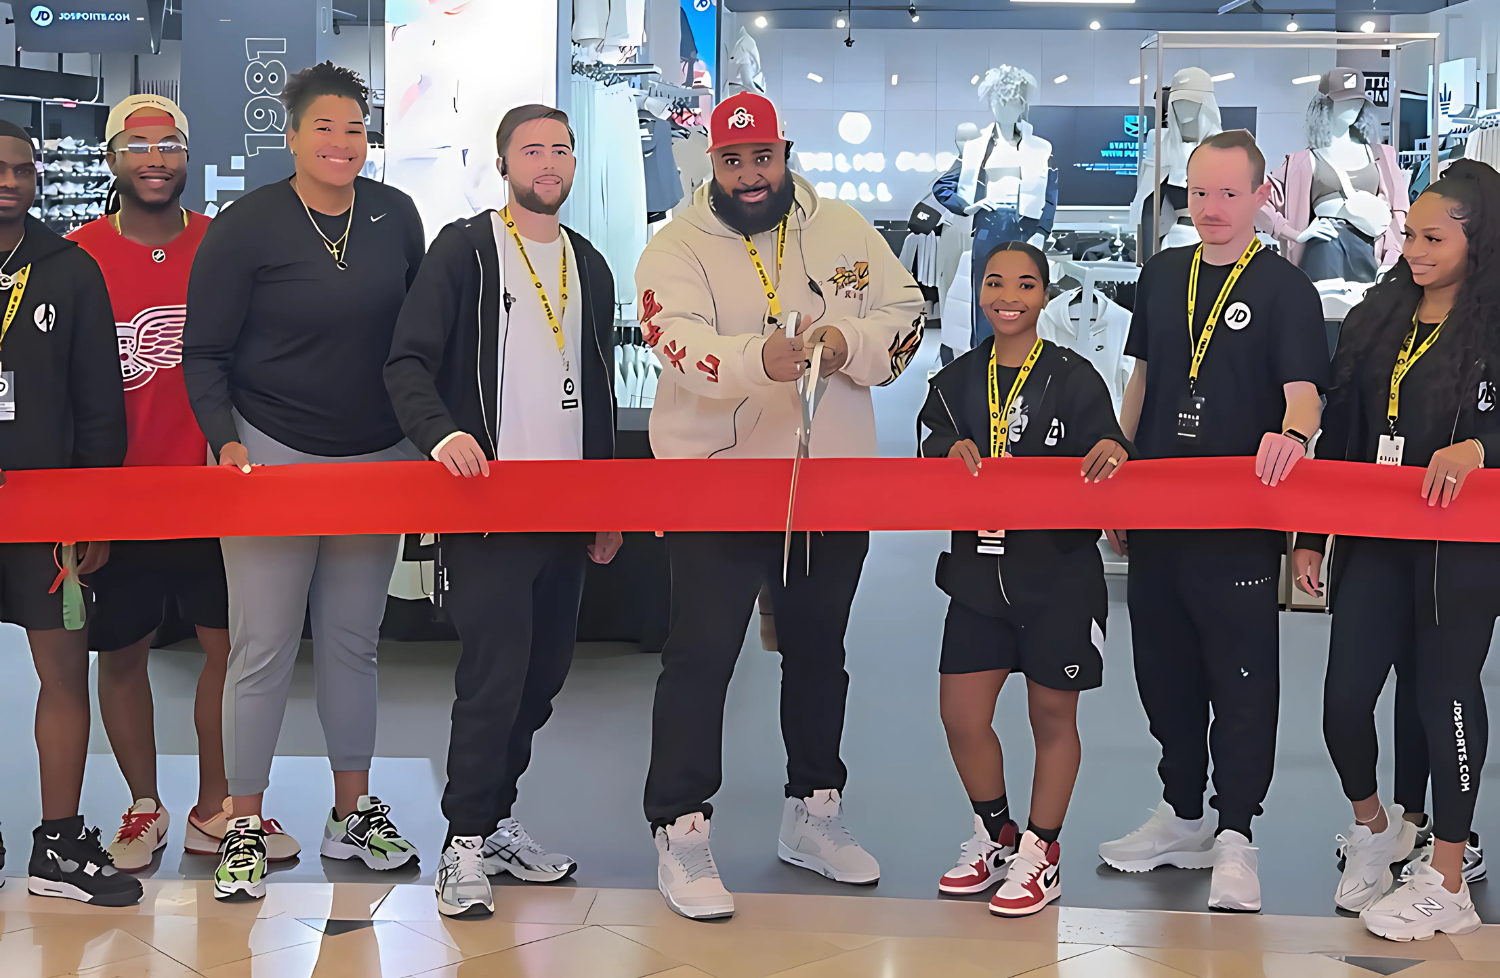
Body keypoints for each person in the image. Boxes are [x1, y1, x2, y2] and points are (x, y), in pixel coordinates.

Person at [635, 91, 925, 921]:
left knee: (819, 651)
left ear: (783, 151)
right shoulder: (678, 243)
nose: (750, 175)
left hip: (827, 477)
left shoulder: (840, 229)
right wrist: (759, 357)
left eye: (762, 157)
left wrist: (846, 343)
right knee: (701, 657)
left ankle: (814, 810)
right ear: (711, 164)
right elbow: (670, 336)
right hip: (716, 481)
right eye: (732, 161)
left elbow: (902, 318)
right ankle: (679, 824)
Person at [183, 62, 425, 901]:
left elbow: (416, 338)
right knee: (263, 649)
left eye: (355, 128)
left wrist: (427, 438)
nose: (341, 142)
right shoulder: (247, 224)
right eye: (324, 127)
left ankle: (350, 811)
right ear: (291, 137)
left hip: (380, 458)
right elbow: (204, 349)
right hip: (270, 454)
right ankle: (242, 820)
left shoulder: (396, 216)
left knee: (355, 643)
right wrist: (224, 442)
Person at [386, 103, 621, 918]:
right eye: (532, 149)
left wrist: (604, 500)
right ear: (504, 162)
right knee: (493, 679)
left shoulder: (588, 263)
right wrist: (440, 430)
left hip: (565, 505)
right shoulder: (465, 250)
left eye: (561, 148)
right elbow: (407, 361)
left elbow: (594, 390)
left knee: (543, 679)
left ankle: (492, 823)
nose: (547, 161)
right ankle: (460, 844)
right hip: (487, 506)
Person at [1098, 130, 1328, 912]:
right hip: (1158, 508)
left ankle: (1236, 834)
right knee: (1163, 672)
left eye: (1231, 193)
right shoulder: (1162, 275)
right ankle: (1184, 815)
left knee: (1240, 676)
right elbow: (1143, 382)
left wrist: (1293, 437)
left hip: (1237, 520)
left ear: (1262, 196)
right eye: (1200, 192)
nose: (1214, 208)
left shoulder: (1286, 290)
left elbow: (1305, 396)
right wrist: (1118, 478)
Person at [69, 94, 297, 874]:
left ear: (187, 155)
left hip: (214, 486)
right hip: (119, 494)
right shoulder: (76, 255)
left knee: (228, 649)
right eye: (138, 146)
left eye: (169, 144)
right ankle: (142, 805)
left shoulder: (221, 244)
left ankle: (218, 807)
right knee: (121, 653)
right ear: (113, 158)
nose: (155, 158)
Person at [1292, 159, 1500, 941]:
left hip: (1459, 550)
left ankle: (1449, 876)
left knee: (1445, 695)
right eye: (1409, 234)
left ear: (1478, 242)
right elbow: (1343, 428)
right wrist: (1312, 534)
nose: (1414, 249)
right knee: (1345, 700)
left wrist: (1479, 447)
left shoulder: (1494, 322)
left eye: (1433, 238)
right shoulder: (1383, 311)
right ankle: (1379, 829)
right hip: (1375, 540)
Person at [919, 242, 1132, 917]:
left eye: (1025, 284)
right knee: (961, 714)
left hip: (1058, 578)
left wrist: (1114, 450)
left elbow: (1112, 449)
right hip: (977, 580)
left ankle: (1042, 851)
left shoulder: (1075, 376)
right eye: (994, 282)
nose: (1008, 295)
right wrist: (942, 454)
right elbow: (926, 455)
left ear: (1045, 296)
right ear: (978, 292)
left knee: (1051, 715)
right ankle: (996, 831)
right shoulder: (953, 381)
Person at [0, 120, 137, 905]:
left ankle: (57, 844)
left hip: (52, 510)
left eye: (23, 170)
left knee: (63, 672)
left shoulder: (69, 269)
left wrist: (96, 509)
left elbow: (100, 404)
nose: (10, 182)